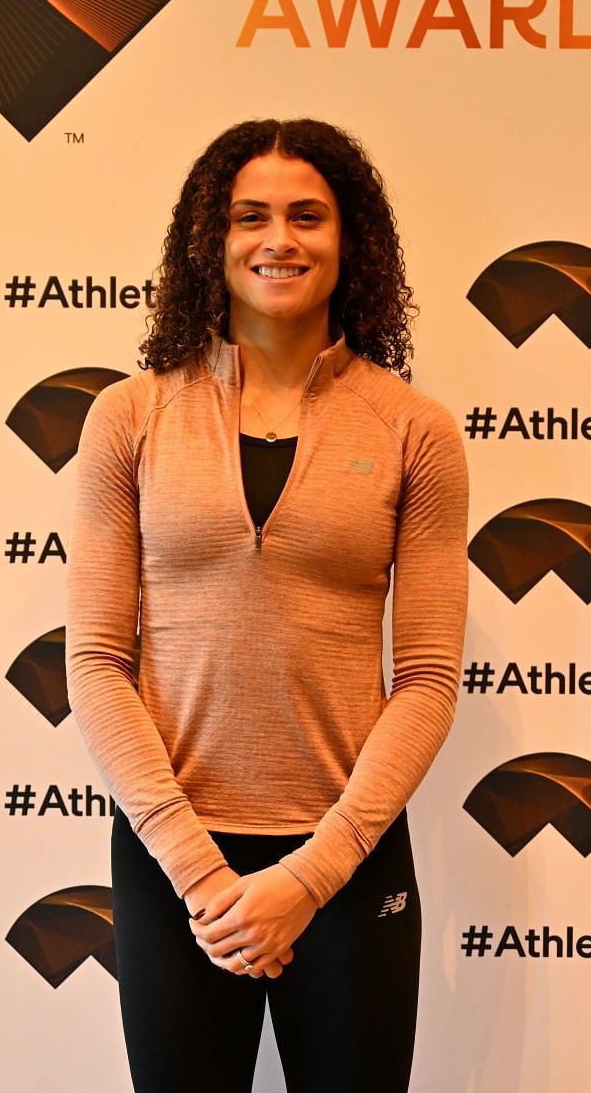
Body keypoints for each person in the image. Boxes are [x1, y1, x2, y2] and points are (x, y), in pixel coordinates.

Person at [65, 117, 469, 1092]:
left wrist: (311, 876)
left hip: (348, 857)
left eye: (306, 215)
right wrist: (204, 876)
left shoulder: (415, 429)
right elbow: (95, 663)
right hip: (175, 864)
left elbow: (424, 679)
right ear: (211, 237)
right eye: (251, 215)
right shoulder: (130, 416)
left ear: (351, 239)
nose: (278, 238)